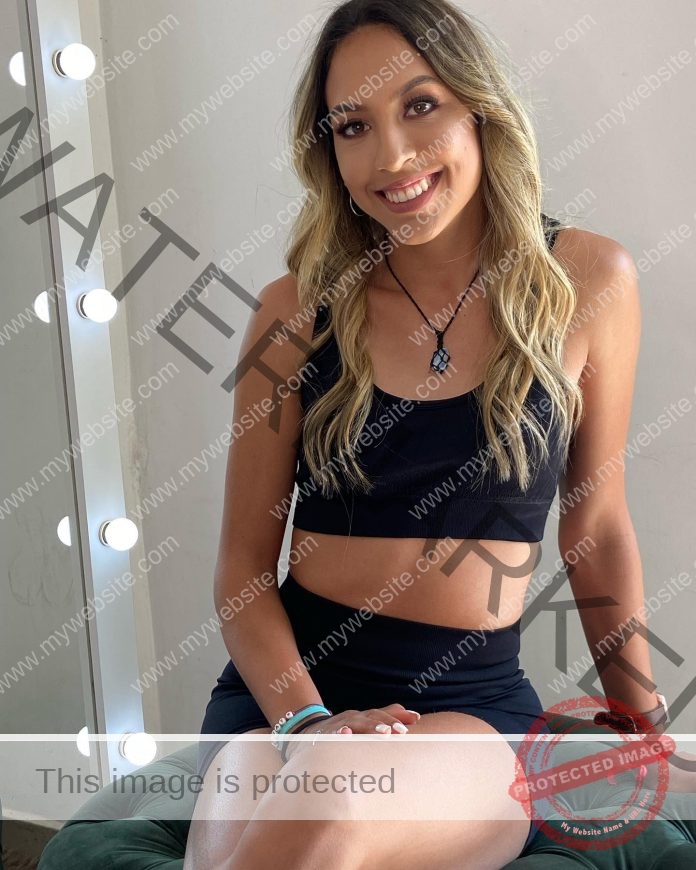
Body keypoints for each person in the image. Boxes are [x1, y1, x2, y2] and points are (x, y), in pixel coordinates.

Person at [184, 1, 665, 867]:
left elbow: (595, 529)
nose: (392, 158)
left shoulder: (587, 282)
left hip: (470, 706)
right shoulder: (293, 314)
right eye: (353, 126)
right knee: (235, 844)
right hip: (288, 694)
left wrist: (642, 725)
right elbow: (241, 573)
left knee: (326, 819)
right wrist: (308, 724)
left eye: (420, 105)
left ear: (477, 106)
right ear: (327, 150)